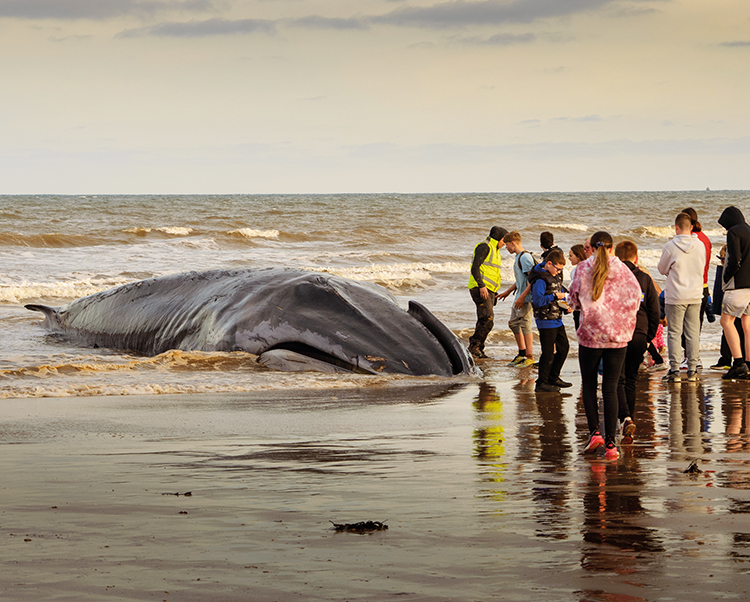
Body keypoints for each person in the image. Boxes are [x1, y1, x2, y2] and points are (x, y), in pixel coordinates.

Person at [568, 231, 641, 460]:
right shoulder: (623, 269)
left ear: (593, 247)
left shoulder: (582, 268)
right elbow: (636, 296)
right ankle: (611, 445)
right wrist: (621, 318)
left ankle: (595, 433)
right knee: (610, 389)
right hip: (617, 337)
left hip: (590, 334)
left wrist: (582, 308)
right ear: (611, 248)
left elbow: (572, 299)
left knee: (589, 386)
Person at [614, 241, 660, 444]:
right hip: (639, 333)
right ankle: (628, 421)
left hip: (618, 333)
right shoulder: (644, 278)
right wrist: (648, 336)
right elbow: (654, 310)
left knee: (617, 379)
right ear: (637, 258)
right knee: (631, 379)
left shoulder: (613, 277)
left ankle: (624, 418)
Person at [657, 212, 706, 382]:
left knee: (674, 333)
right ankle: (692, 369)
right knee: (692, 332)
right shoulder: (700, 245)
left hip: (676, 294)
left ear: (676, 227)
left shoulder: (670, 246)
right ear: (691, 227)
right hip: (695, 294)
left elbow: (662, 269)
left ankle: (675, 369)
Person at [529, 249, 570, 392]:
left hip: (557, 319)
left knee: (564, 348)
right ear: (549, 263)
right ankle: (541, 382)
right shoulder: (540, 279)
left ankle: (553, 376)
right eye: (558, 269)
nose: (559, 272)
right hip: (545, 320)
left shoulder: (555, 276)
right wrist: (555, 297)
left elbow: (560, 296)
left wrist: (566, 308)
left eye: (561, 270)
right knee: (547, 352)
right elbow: (538, 300)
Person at [718, 206, 750, 379]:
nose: (725, 229)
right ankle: (749, 364)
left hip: (737, 286)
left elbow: (734, 259)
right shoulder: (748, 229)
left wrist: (728, 274)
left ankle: (738, 363)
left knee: (726, 321)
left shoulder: (734, 232)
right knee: (747, 325)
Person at [468, 226, 508, 358]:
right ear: (499, 239)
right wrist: (481, 286)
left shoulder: (495, 250)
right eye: (504, 240)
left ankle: (477, 347)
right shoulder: (484, 247)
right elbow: (475, 268)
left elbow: (493, 273)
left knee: (485, 318)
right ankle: (474, 346)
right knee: (487, 319)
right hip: (480, 288)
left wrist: (495, 292)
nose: (505, 243)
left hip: (489, 290)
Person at [497, 231, 535, 367]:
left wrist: (523, 296)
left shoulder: (525, 258)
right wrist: (508, 292)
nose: (506, 248)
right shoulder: (518, 257)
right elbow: (521, 279)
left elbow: (533, 279)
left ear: (513, 243)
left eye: (507, 245)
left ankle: (529, 356)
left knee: (525, 325)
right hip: (518, 296)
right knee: (513, 323)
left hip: (525, 298)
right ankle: (522, 353)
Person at [710, 245, 744, 370]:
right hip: (741, 302)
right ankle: (734, 359)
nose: (721, 262)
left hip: (734, 302)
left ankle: (727, 359)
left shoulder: (727, 271)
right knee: (737, 329)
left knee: (730, 329)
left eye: (722, 259)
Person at [683, 207, 712, 328]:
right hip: (703, 285)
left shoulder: (688, 239)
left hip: (688, 288)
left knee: (683, 328)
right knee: (696, 329)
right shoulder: (705, 238)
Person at [568, 245, 586, 330]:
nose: (569, 258)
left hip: (582, 309)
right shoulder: (573, 271)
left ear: (578, 256)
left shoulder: (578, 271)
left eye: (571, 255)